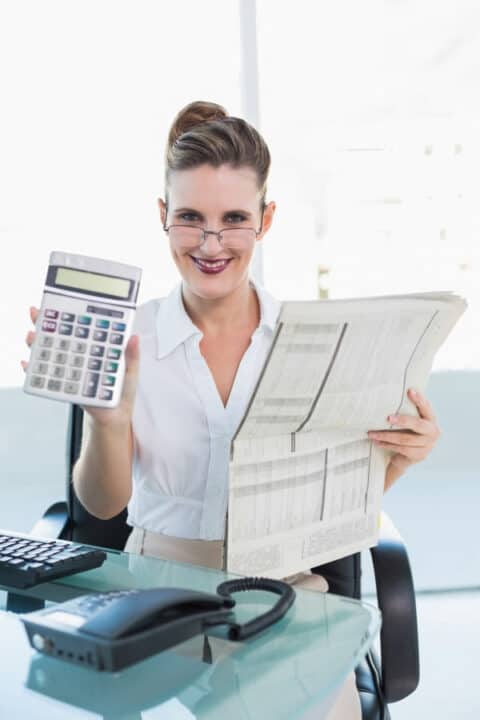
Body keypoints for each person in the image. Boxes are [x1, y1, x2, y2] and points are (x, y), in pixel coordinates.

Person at [23, 100, 441, 718]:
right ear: (163, 217)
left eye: (234, 218)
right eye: (190, 217)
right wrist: (107, 419)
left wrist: (401, 457)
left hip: (287, 596)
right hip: (158, 592)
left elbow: (339, 500)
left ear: (265, 220)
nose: (211, 243)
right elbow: (103, 506)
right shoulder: (131, 337)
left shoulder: (317, 344)